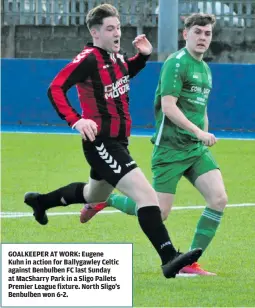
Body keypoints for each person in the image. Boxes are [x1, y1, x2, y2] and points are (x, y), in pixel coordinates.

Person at [24, 4, 202, 278]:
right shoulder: (89, 58)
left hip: (117, 141)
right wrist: (76, 119)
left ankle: (41, 202)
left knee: (92, 195)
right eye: (110, 28)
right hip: (102, 142)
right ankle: (170, 258)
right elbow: (56, 87)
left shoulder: (115, 58)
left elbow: (122, 74)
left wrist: (142, 58)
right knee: (147, 196)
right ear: (95, 33)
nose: (117, 33)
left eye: (118, 27)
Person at [80, 12, 228, 276]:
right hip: (170, 149)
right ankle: (108, 200)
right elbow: (169, 107)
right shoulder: (177, 63)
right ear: (186, 34)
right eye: (197, 32)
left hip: (195, 149)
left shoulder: (204, 68)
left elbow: (201, 108)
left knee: (218, 199)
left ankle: (188, 264)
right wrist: (198, 132)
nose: (203, 38)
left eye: (207, 33)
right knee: (158, 213)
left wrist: (203, 134)